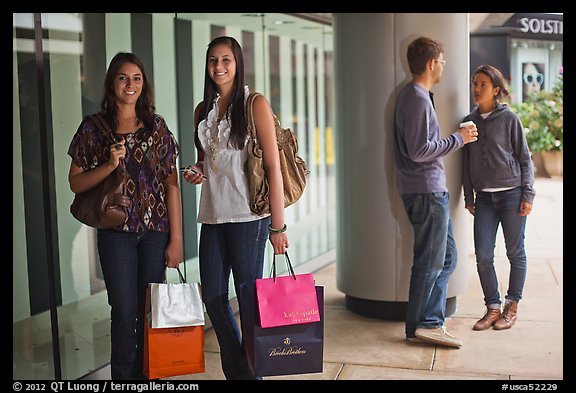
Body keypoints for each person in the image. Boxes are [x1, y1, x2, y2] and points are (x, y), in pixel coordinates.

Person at [67, 52, 183, 380]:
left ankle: (149, 376)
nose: (129, 85)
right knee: (123, 311)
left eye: (136, 78)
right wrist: (108, 164)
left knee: (149, 312)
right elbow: (75, 184)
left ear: (143, 85)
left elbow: (172, 186)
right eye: (122, 78)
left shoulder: (157, 127)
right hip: (116, 235)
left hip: (156, 233)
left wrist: (176, 239)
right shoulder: (94, 128)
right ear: (112, 83)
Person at [182, 36, 288, 380]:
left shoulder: (253, 103)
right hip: (212, 216)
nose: (218, 67)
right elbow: (208, 162)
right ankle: (243, 371)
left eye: (226, 60)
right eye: (213, 60)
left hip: (248, 218)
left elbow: (273, 167)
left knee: (249, 302)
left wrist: (278, 226)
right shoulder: (203, 111)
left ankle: (247, 375)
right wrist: (197, 171)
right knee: (212, 296)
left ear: (238, 63)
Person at [394, 36, 478, 348]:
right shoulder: (415, 98)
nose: (444, 66)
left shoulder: (416, 95)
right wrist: (459, 139)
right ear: (431, 63)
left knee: (446, 257)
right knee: (431, 262)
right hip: (426, 193)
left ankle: (423, 323)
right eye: (442, 61)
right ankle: (426, 323)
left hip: (427, 192)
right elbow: (419, 151)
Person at [462, 64, 535, 331]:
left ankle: (512, 306)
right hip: (484, 200)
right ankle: (493, 307)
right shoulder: (469, 121)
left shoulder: (509, 119)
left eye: (482, 85)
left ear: (496, 90)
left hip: (512, 195)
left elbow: (524, 158)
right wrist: (468, 194)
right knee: (483, 255)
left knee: (515, 253)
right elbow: (466, 161)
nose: (476, 89)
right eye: (474, 83)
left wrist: (528, 193)